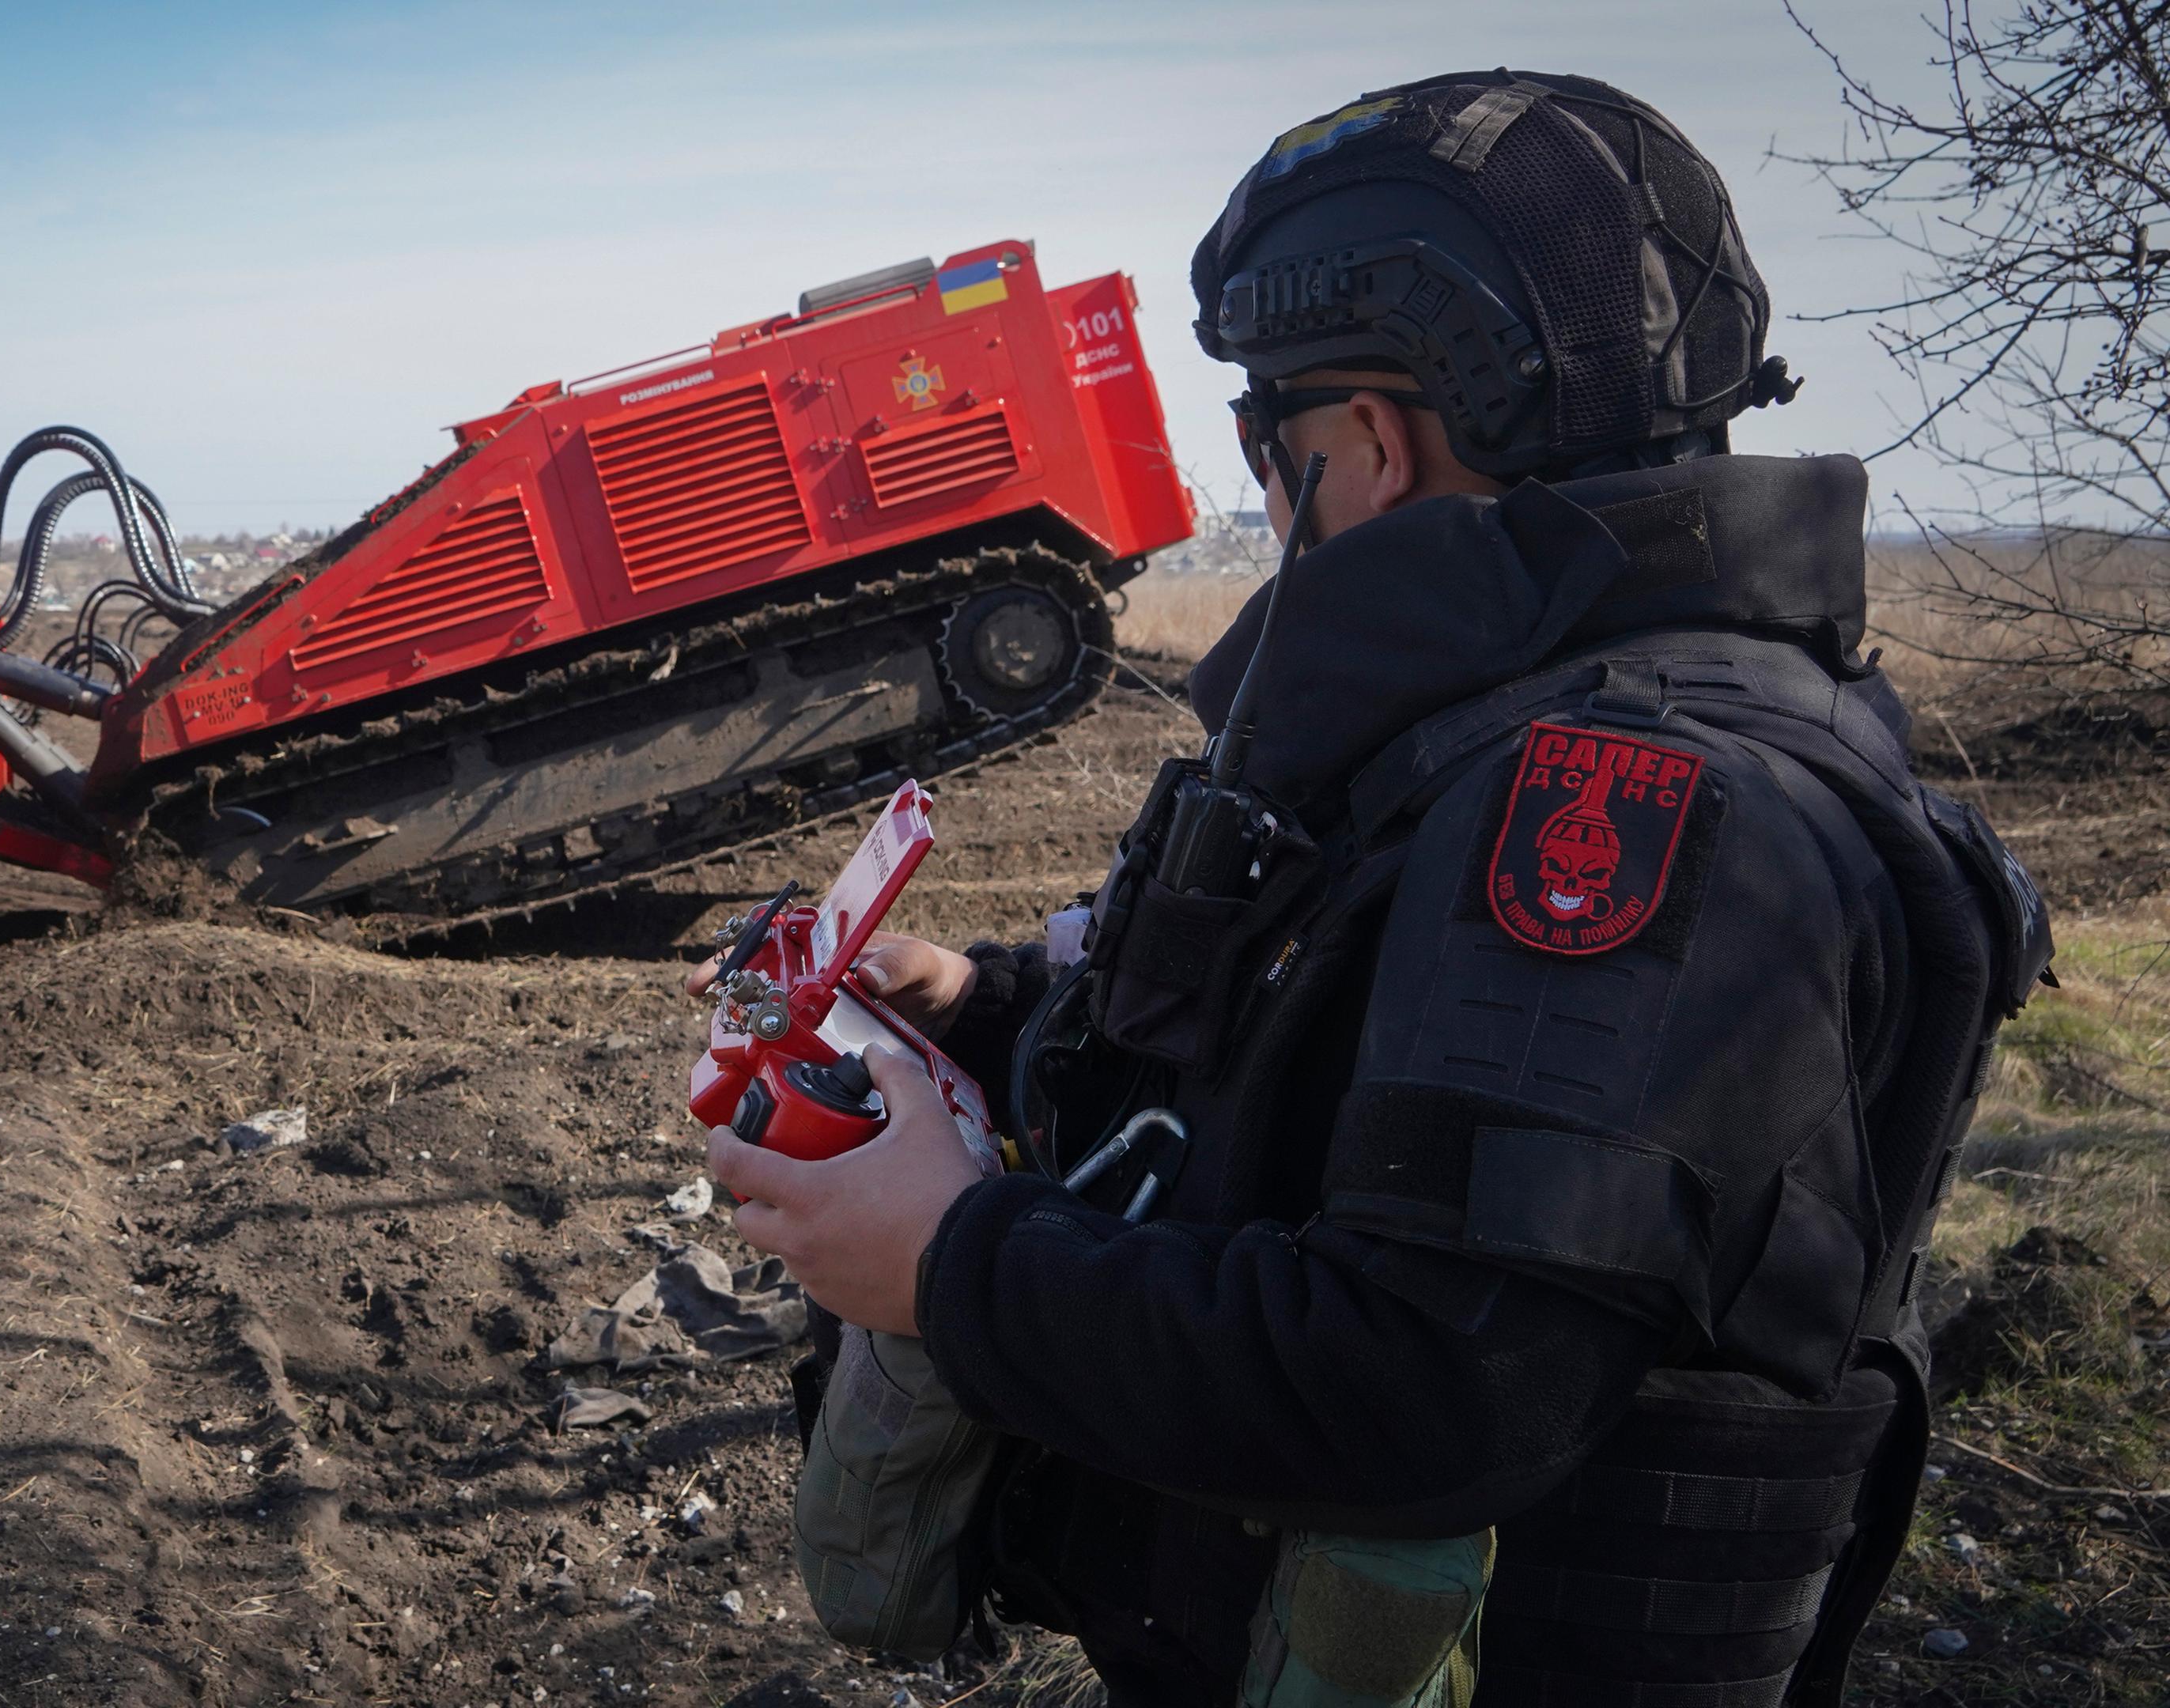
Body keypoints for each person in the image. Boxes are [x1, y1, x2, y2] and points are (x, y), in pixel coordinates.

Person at [701, 70, 2051, 1707]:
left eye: (1263, 440)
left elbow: (1437, 1386)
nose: (1266, 498)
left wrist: (943, 1268)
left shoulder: (1638, 798)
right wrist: (990, 1013)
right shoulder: (1499, 723)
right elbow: (1345, 1087)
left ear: (1367, 446)